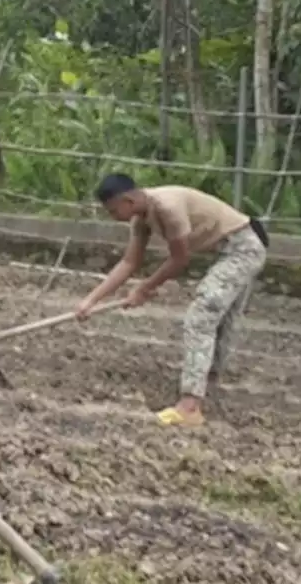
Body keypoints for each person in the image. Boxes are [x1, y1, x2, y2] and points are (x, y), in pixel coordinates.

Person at [74, 173, 269, 427]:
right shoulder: (140, 219)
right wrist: (91, 301)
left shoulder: (167, 206)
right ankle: (206, 384)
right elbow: (129, 262)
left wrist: (144, 288)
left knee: (201, 315)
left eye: (113, 211)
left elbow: (180, 259)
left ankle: (189, 407)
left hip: (244, 247)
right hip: (228, 250)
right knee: (219, 319)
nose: (114, 217)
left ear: (128, 200)